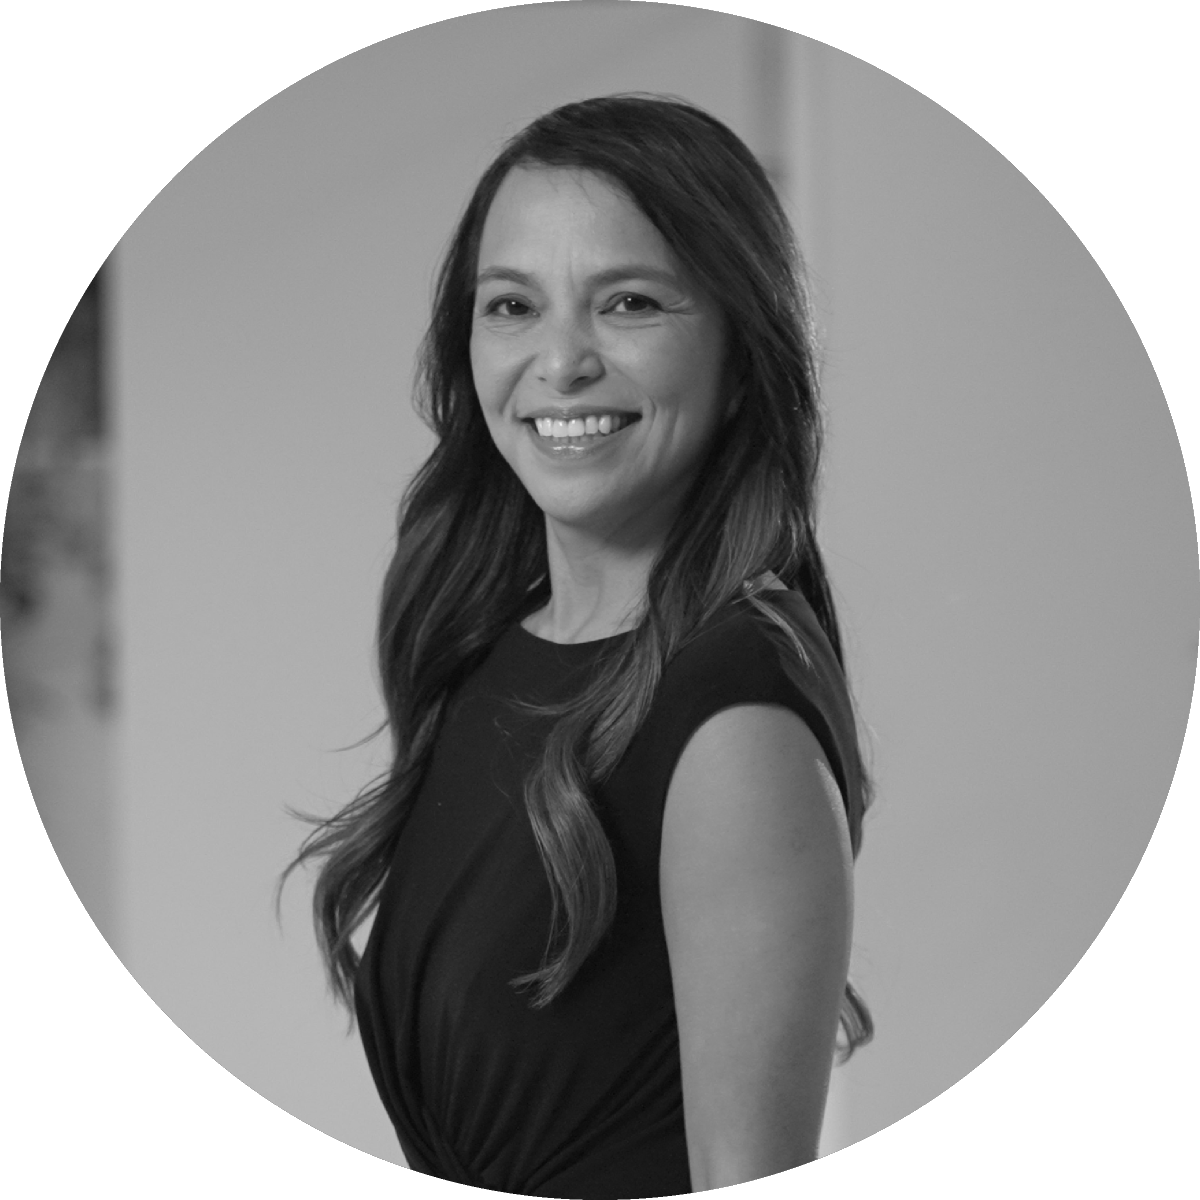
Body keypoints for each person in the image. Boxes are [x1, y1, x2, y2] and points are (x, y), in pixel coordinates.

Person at [286, 93, 873, 1196]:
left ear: (742, 354)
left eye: (630, 303)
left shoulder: (733, 723)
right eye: (511, 306)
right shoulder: (480, 662)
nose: (560, 363)